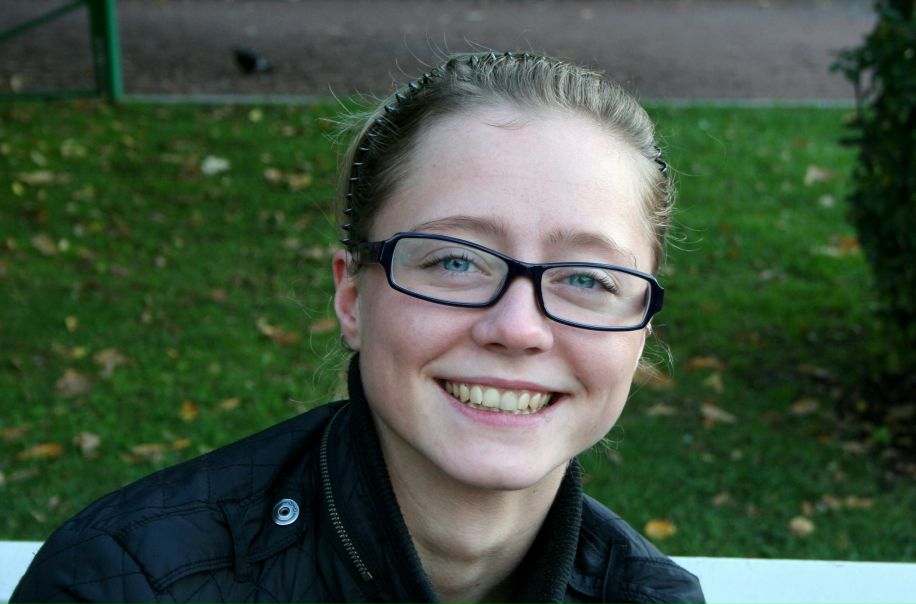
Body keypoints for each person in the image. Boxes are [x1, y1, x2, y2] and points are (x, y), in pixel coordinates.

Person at [12, 51, 704, 604]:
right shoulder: (121, 585)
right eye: (455, 261)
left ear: (639, 331)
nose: (517, 327)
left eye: (588, 279)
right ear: (351, 297)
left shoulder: (649, 597)